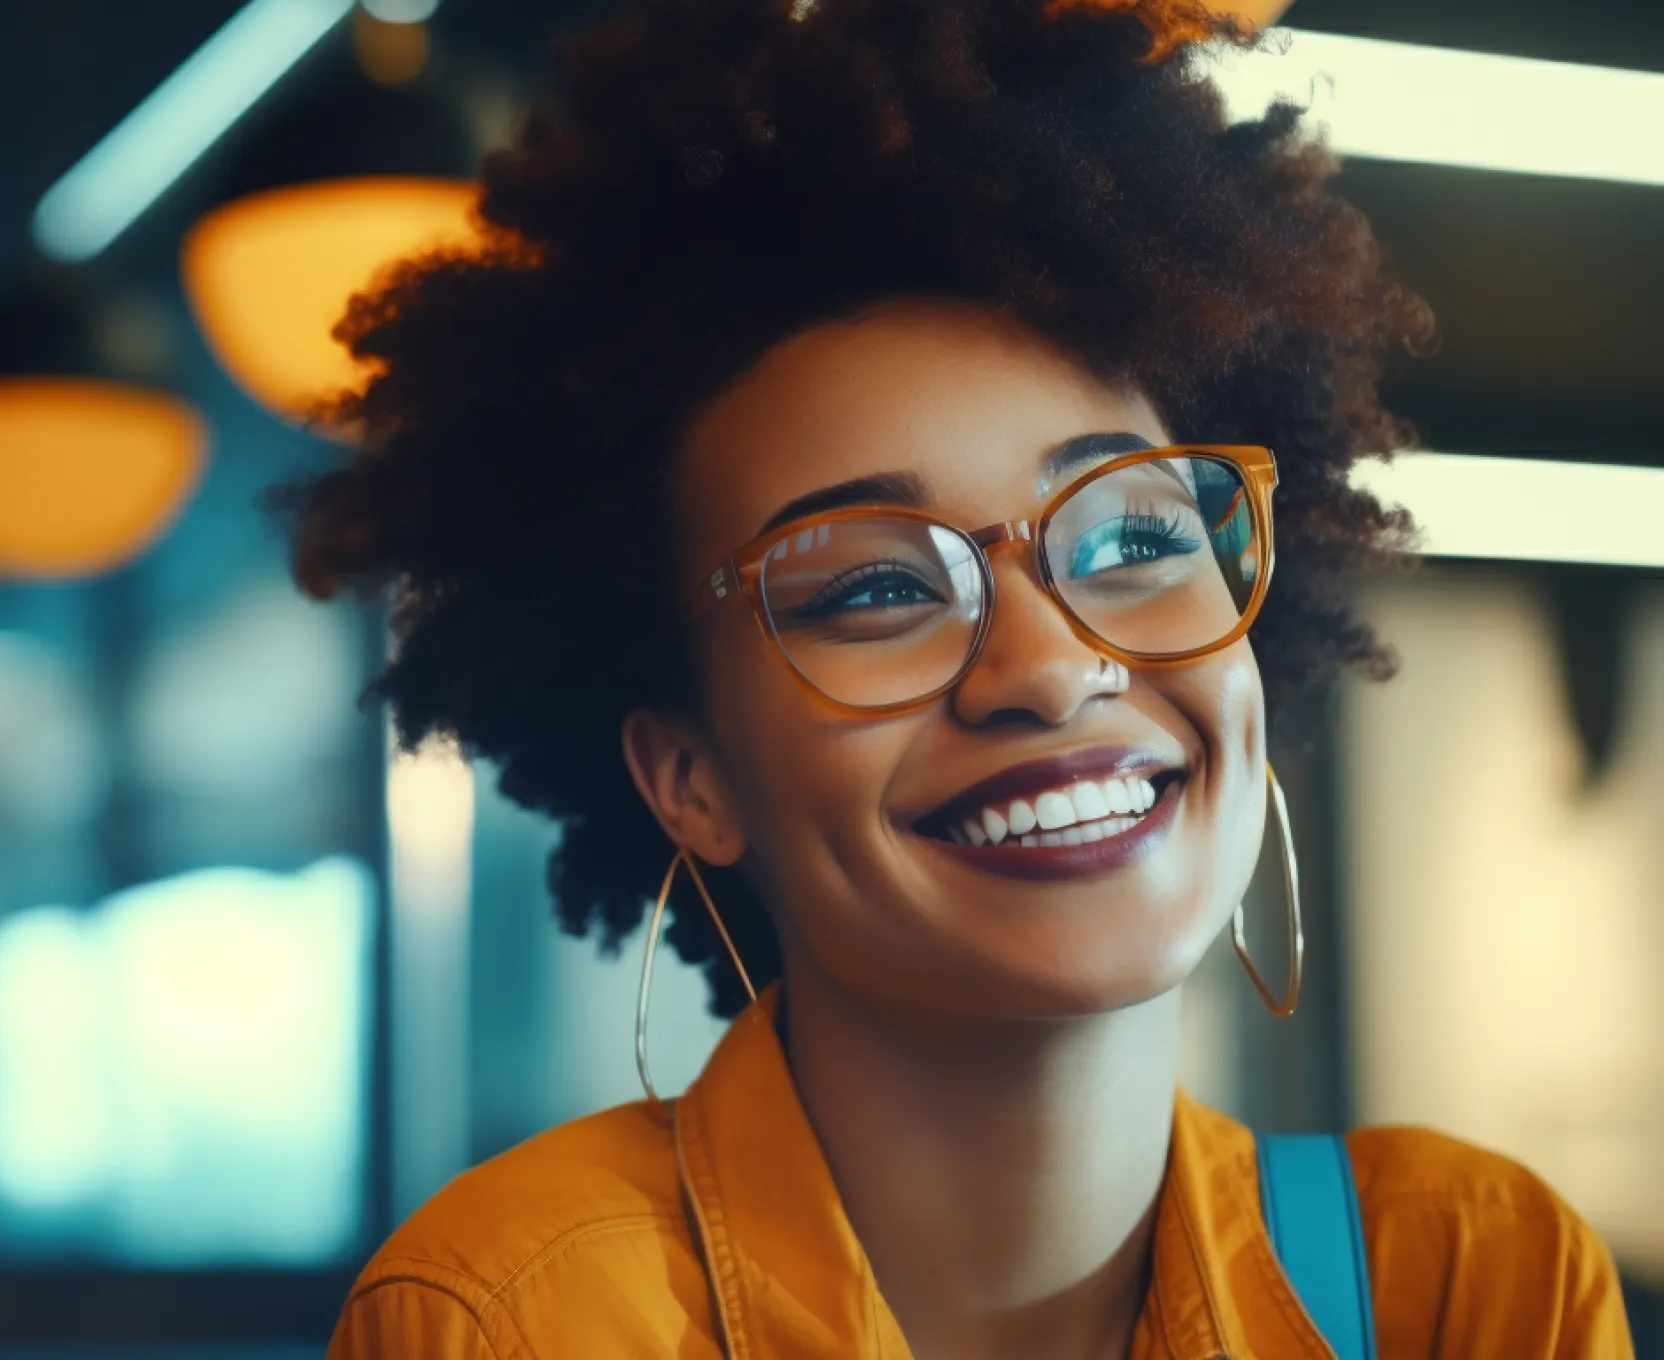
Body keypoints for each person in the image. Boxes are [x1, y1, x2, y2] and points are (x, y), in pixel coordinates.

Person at [279, 0, 1638, 1355]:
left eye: (1135, 537)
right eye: (877, 588)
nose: (1048, 669)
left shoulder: (1470, 1285)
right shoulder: (519, 1322)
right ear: (690, 779)